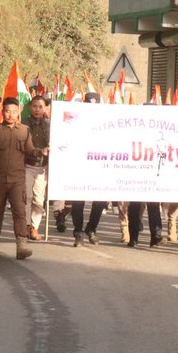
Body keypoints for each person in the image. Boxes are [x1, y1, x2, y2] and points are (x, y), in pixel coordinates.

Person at [0, 98, 36, 259]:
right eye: (7, 110)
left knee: (20, 211)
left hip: (17, 179)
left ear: (18, 113)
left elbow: (30, 151)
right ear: (2, 112)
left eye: (14, 111)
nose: (10, 114)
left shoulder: (24, 131)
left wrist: (41, 152)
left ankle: (21, 246)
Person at [70, 93, 106, 247]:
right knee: (78, 202)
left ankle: (91, 228)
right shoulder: (74, 120)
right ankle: (78, 231)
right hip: (79, 166)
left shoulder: (106, 121)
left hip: (100, 166)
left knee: (100, 201)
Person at [23, 96, 51, 241]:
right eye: (34, 106)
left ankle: (34, 227)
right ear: (29, 107)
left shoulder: (49, 125)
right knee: (26, 197)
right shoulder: (24, 123)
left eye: (40, 107)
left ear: (45, 108)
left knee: (39, 200)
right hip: (27, 164)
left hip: (43, 167)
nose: (37, 110)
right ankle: (27, 225)